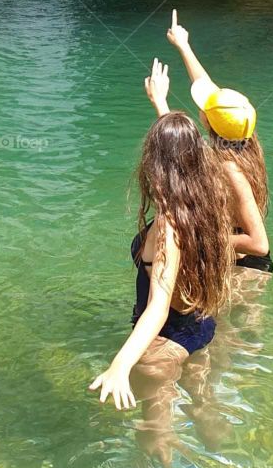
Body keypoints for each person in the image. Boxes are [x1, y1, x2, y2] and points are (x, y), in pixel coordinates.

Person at [89, 62, 232, 411]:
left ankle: (159, 458)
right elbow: (184, 154)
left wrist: (120, 365)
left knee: (157, 433)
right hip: (200, 325)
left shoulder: (169, 224)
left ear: (154, 165)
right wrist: (161, 103)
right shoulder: (208, 196)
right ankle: (220, 445)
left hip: (164, 337)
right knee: (203, 407)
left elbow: (157, 305)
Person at [160, 10, 273, 273]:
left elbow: (259, 244)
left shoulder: (228, 168)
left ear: (209, 123)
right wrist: (183, 45)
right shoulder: (242, 139)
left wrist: (200, 241)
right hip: (237, 265)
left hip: (244, 272)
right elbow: (206, 85)